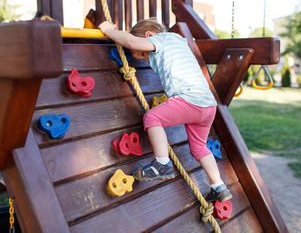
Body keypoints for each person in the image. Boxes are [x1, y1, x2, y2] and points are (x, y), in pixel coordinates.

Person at [99, 19, 232, 202]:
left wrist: (109, 31)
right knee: (199, 147)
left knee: (153, 118)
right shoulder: (178, 41)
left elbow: (131, 42)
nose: (147, 59)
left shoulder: (160, 40)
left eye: (143, 55)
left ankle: (162, 163)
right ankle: (219, 186)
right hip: (208, 105)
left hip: (189, 99)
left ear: (149, 36)